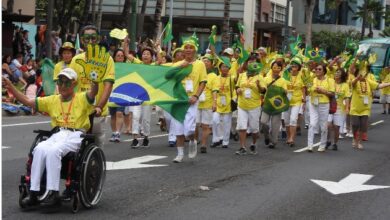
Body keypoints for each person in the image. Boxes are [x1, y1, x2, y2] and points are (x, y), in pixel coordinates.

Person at [3, 68, 98, 210]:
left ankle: (53, 193)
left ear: (74, 84)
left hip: (76, 135)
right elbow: (28, 101)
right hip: (58, 133)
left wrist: (95, 80)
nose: (63, 85)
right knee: (39, 148)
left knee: (54, 151)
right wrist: (10, 86)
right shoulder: (52, 100)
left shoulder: (82, 98)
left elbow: (93, 93)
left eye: (67, 82)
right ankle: (34, 192)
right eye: (60, 82)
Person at [69, 25, 115, 148]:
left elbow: (108, 85)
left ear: (98, 39)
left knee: (96, 148)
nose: (90, 41)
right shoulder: (76, 60)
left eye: (93, 38)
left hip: (97, 112)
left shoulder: (107, 59)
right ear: (82, 40)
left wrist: (99, 106)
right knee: (75, 146)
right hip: (79, 110)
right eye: (87, 38)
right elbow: (69, 85)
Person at [170, 37, 207, 163]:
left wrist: (196, 96)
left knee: (189, 130)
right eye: (186, 47)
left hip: (191, 100)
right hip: (178, 100)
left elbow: (203, 82)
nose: (188, 50)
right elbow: (167, 76)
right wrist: (181, 66)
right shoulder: (177, 64)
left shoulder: (200, 64)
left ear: (195, 50)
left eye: (191, 47)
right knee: (178, 129)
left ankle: (192, 140)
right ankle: (180, 154)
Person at [349, 62, 390, 149]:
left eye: (364, 72)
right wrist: (357, 78)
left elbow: (379, 85)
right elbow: (352, 83)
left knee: (363, 125)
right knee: (355, 125)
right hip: (355, 108)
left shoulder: (368, 81)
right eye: (361, 72)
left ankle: (359, 142)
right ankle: (354, 138)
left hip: (365, 108)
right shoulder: (354, 81)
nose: (363, 74)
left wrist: (388, 83)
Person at [235, 62, 264, 155]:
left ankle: (254, 143)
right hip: (242, 104)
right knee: (242, 126)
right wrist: (238, 90)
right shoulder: (242, 75)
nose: (253, 71)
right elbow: (237, 86)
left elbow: (263, 90)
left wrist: (258, 85)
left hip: (254, 106)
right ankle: (242, 147)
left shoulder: (260, 77)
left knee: (254, 129)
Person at [260, 60, 289, 149]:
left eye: (278, 68)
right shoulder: (266, 79)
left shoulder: (283, 80)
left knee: (275, 125)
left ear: (281, 69)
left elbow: (285, 91)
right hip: (267, 105)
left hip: (277, 106)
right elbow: (263, 89)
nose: (276, 69)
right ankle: (267, 137)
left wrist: (285, 91)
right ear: (271, 68)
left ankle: (274, 141)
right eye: (274, 67)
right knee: (263, 122)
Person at [307, 63, 335, 152]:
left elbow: (332, 93)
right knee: (312, 124)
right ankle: (310, 145)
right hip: (313, 104)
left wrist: (323, 91)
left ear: (324, 71)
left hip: (324, 104)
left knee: (323, 126)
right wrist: (313, 89)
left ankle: (322, 144)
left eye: (319, 69)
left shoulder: (330, 80)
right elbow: (308, 89)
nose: (317, 71)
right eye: (316, 69)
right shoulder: (312, 79)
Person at [195, 54, 218, 153]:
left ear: (212, 64)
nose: (205, 62)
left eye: (208, 61)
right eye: (204, 61)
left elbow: (214, 90)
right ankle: (195, 141)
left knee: (205, 126)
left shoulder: (213, 76)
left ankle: (203, 144)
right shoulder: (197, 73)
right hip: (195, 102)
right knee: (194, 124)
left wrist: (214, 102)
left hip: (207, 104)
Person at [283, 58, 306, 147]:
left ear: (299, 67)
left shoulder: (301, 75)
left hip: (297, 100)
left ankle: (292, 138)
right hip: (286, 101)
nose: (293, 67)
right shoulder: (285, 75)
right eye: (292, 65)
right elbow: (282, 85)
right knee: (286, 121)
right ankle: (288, 137)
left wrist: (304, 99)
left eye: (295, 65)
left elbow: (303, 88)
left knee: (293, 119)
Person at [212, 57, 234, 149]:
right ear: (220, 68)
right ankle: (216, 139)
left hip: (228, 104)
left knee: (226, 123)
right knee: (215, 120)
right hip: (218, 103)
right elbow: (214, 90)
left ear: (229, 68)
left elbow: (234, 91)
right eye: (223, 67)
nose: (224, 68)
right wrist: (214, 102)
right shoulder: (216, 78)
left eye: (226, 67)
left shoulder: (232, 79)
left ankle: (225, 141)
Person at [326, 68, 350, 150]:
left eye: (338, 72)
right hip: (329, 107)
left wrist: (347, 108)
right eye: (336, 72)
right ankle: (328, 140)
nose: (336, 73)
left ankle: (335, 143)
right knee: (328, 125)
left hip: (339, 109)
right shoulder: (330, 82)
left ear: (342, 75)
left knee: (336, 127)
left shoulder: (345, 85)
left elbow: (347, 97)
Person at [109, 49, 128, 142]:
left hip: (122, 93)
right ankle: (113, 132)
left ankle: (117, 133)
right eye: (118, 55)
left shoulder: (127, 67)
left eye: (122, 56)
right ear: (114, 57)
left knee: (119, 113)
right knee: (112, 115)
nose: (120, 57)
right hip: (112, 93)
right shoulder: (110, 67)